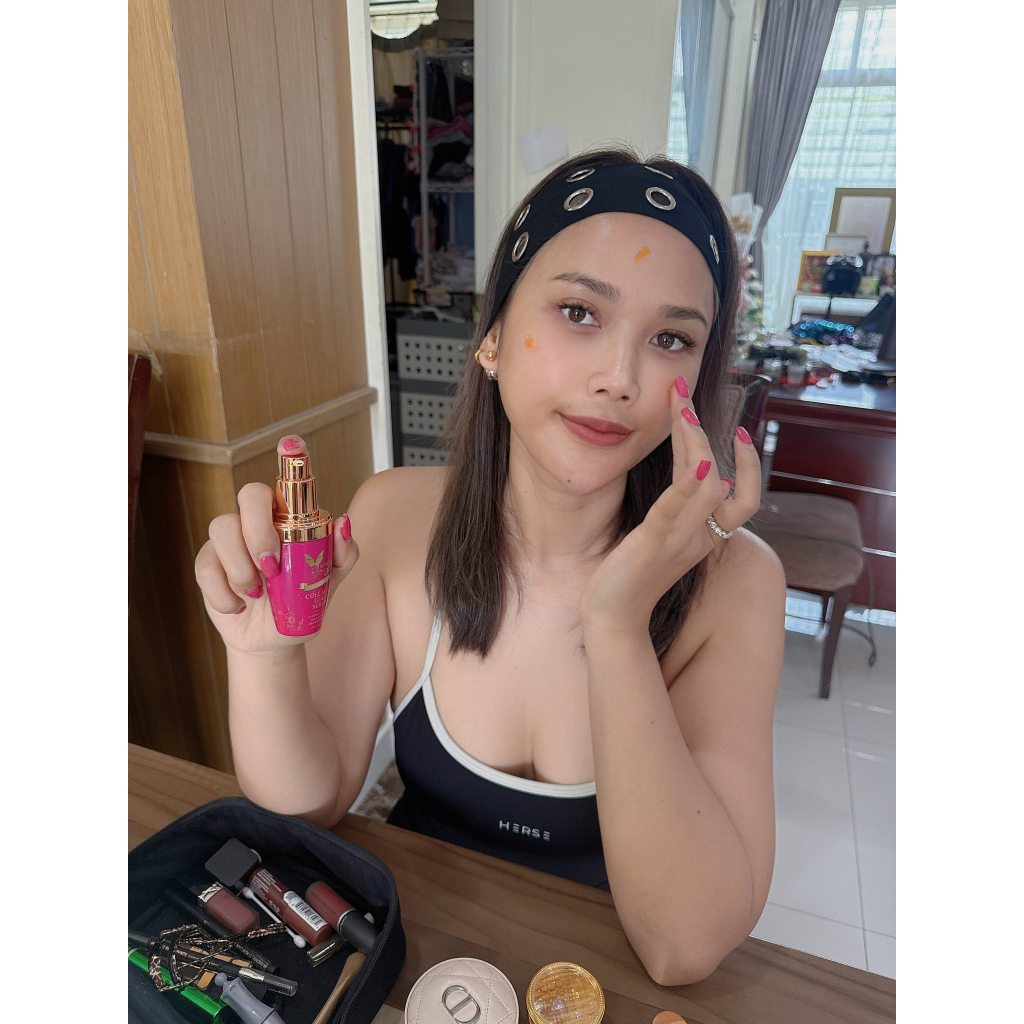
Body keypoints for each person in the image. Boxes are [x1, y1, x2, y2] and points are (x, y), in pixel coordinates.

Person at [195, 145, 786, 985]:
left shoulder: (738, 583)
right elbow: (310, 799)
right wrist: (263, 659)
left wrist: (617, 623)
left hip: (596, 988)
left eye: (670, 338)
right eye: (579, 312)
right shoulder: (396, 517)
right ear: (495, 337)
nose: (619, 377)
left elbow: (682, 945)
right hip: (414, 966)